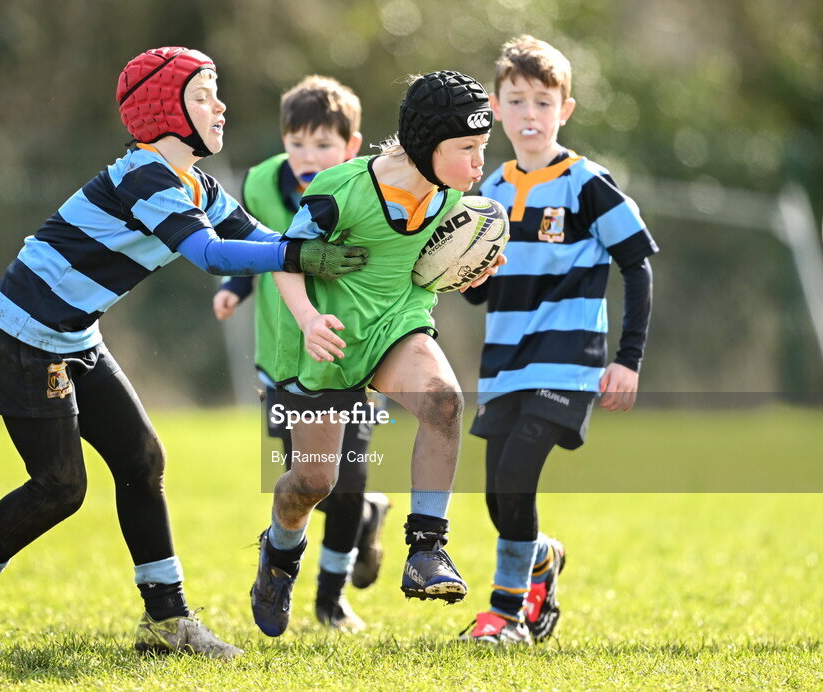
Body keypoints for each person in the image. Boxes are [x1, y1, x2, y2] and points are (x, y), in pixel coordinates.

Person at [0, 46, 369, 658]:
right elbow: (211, 254)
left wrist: (335, 242)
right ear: (165, 111)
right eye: (203, 95)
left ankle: (168, 623)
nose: (220, 106)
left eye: (216, 93)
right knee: (60, 488)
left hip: (74, 337)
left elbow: (265, 241)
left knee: (142, 463)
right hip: (20, 337)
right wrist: (295, 255)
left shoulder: (197, 182)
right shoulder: (144, 175)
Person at [248, 70, 507, 638]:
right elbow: (285, 261)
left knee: (443, 402)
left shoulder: (456, 199)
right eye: (467, 148)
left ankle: (427, 549)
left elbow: (448, 276)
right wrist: (311, 320)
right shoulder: (341, 190)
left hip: (397, 326)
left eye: (482, 148)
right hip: (327, 343)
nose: (479, 162)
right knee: (313, 483)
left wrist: (475, 272)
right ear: (425, 146)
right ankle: (280, 551)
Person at [457, 36, 658, 646]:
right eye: (516, 101)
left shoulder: (586, 183)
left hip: (567, 363)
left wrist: (628, 360)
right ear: (495, 107)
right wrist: (466, 268)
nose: (529, 115)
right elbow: (475, 292)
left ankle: (507, 616)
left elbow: (637, 264)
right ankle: (540, 558)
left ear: (564, 110)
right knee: (498, 497)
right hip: (504, 364)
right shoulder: (488, 190)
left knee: (516, 476)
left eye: (543, 103)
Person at [211, 75, 390, 632]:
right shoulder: (261, 182)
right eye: (297, 144)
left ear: (351, 147)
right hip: (284, 357)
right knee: (309, 479)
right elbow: (255, 248)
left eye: (323, 145)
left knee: (347, 477)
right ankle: (365, 519)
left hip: (351, 358)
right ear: (282, 141)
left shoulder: (368, 188)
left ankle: (330, 600)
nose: (308, 157)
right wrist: (235, 289)